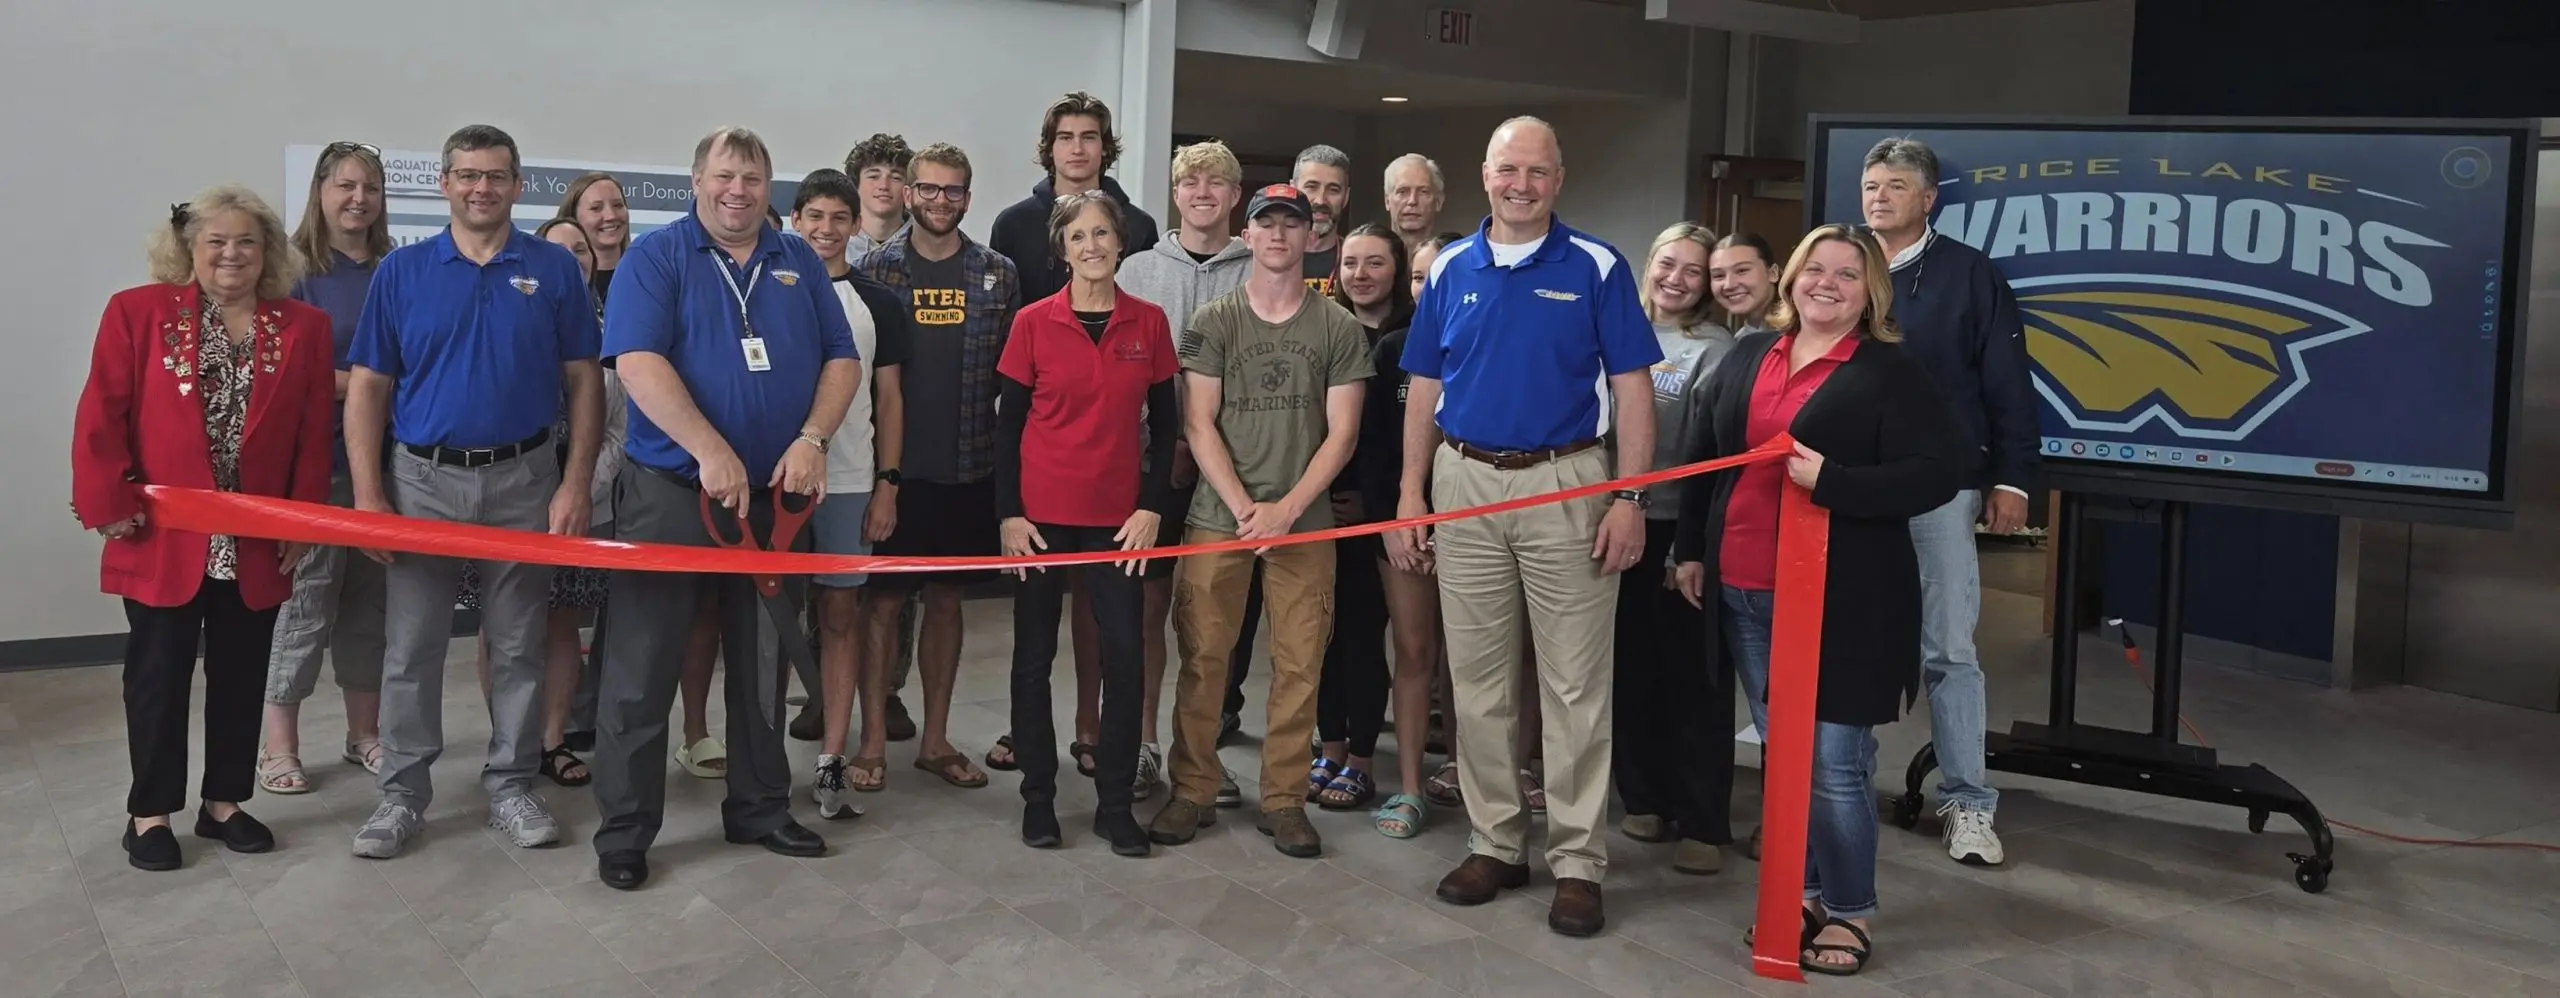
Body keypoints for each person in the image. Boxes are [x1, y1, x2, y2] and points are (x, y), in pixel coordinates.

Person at [1388, 117, 1660, 938]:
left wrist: (1631, 498)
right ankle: (1497, 842)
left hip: (1568, 481)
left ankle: (1578, 862)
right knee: (1477, 680)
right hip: (1463, 479)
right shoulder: (1450, 270)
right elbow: (1425, 387)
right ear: (1484, 174)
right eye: (1510, 170)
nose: (1522, 185)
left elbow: (1635, 388)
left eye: (1538, 172)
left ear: (1559, 179)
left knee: (1575, 685)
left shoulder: (1598, 265)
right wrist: (1411, 492)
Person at [1672, 223, 1962, 976]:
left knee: (1834, 762)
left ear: (1871, 293)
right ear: (1790, 279)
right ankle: (1795, 894)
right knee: (1784, 754)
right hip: (1742, 585)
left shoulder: (1890, 373)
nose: (1826, 284)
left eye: (1847, 274)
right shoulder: (1746, 355)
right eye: (1815, 270)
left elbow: (1936, 472)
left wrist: (1833, 482)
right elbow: (1710, 457)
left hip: (1844, 599)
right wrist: (1691, 550)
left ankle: (1849, 908)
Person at [591, 127, 862, 891]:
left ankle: (760, 807)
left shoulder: (796, 259)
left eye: (750, 176)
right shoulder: (658, 258)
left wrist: (813, 437)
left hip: (776, 504)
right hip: (670, 495)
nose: (736, 189)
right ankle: (625, 832)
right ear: (696, 180)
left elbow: (843, 357)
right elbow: (639, 362)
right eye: (723, 175)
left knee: (764, 662)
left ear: (766, 186)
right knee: (641, 670)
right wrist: (710, 450)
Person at [344, 125, 603, 860]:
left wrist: (573, 482)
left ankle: (512, 785)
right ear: (444, 184)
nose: (480, 188)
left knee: (519, 644)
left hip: (526, 479)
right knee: (412, 647)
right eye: (466, 175)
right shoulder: (402, 272)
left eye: (494, 176)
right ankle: (401, 794)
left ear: (517, 185)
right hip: (421, 481)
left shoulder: (553, 269)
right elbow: (368, 387)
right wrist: (370, 497)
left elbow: (585, 381)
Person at [73, 187, 335, 870]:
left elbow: (313, 436)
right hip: (162, 535)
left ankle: (225, 804)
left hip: (256, 538)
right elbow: (102, 412)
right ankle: (149, 814)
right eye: (216, 240)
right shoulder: (137, 313)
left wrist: (301, 520)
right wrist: (106, 501)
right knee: (156, 676)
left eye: (246, 240)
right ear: (189, 248)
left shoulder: (303, 327)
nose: (231, 253)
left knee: (242, 672)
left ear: (267, 252)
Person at [1147, 184, 1369, 859]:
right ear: (1249, 236)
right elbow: (1197, 421)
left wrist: (1287, 509)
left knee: (1300, 662)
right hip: (1221, 517)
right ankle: (1191, 789)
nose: (1277, 235)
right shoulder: (1215, 321)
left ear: (1311, 237)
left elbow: (1343, 433)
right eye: (1266, 224)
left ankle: (1284, 799)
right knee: (1205, 655)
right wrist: (1246, 507)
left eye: (1291, 225)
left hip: (1303, 520)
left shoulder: (1338, 327)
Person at [1859, 137, 2039, 866]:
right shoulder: (1842, 266)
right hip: (1853, 487)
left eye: (1895, 186)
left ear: (1928, 198)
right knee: (1857, 643)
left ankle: (1968, 804)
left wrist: (2012, 478)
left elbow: (2008, 385)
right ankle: (1842, 788)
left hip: (1941, 487)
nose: (1878, 197)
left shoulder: (1970, 275)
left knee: (1949, 649)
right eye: (1871, 185)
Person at [995, 191, 1180, 856]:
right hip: (1040, 520)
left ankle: (1113, 803)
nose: (1092, 245)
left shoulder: (1149, 324)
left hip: (1117, 522)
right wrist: (1009, 515)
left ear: (1120, 243)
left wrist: (1150, 507)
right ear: (1062, 249)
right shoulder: (1033, 324)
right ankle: (1038, 798)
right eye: (1079, 236)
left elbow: (1167, 426)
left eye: (1103, 233)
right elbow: (1008, 425)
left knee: (1124, 658)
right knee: (1033, 660)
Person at [852, 142, 1019, 788]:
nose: (940, 201)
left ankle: (937, 739)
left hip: (968, 468)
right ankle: (869, 742)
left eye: (953, 191)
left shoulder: (998, 273)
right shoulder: (874, 270)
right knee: (884, 607)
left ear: (967, 199)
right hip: (890, 472)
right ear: (908, 194)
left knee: (948, 603)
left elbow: (1016, 379)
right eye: (929, 189)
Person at [454, 217, 629, 790]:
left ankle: (552, 739)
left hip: (583, 505)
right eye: (559, 249)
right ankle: (509, 737)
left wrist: (575, 490)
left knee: (560, 624)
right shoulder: (508, 319)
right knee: (499, 625)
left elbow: (616, 432)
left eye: (581, 250)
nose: (572, 259)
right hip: (504, 499)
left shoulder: (613, 329)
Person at [1109, 138, 1253, 805]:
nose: (1202, 193)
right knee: (1145, 614)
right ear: (1174, 193)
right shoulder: (1135, 270)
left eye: (1216, 183)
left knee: (1211, 622)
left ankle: (1201, 757)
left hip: (1233, 472)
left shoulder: (1261, 268)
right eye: (1190, 182)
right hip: (1148, 469)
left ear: (1234, 195)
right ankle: (1141, 746)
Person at [260, 141, 391, 795]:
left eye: (368, 187)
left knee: (370, 610)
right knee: (305, 607)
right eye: (345, 186)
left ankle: (363, 735)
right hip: (317, 473)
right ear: (320, 192)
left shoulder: (396, 270)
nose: (357, 199)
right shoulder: (291, 272)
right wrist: (367, 385)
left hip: (389, 472)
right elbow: (283, 374)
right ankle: (279, 745)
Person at [1612, 222, 1740, 876]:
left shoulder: (1713, 348)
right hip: (1614, 522)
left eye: (1694, 270)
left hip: (1677, 528)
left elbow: (1707, 451)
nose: (1677, 279)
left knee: (1694, 679)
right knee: (1630, 671)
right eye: (1668, 263)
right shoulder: (1618, 327)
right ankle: (1643, 797)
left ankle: (1702, 820)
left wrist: (1686, 543)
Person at [786, 169, 912, 816]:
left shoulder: (878, 303)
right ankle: (760, 764)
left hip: (852, 482)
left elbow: (889, 403)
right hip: (776, 484)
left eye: (840, 217)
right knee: (771, 625)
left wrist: (886, 485)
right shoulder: (769, 292)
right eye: (814, 216)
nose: (826, 229)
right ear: (795, 220)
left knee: (841, 619)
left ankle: (833, 758)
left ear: (856, 225)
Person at [822, 133, 924, 747]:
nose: (885, 184)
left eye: (895, 174)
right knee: (824, 602)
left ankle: (885, 692)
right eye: (873, 173)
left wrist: (889, 476)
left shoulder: (918, 259)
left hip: (876, 455)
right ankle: (821, 694)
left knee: (884, 593)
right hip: (806, 465)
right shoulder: (806, 259)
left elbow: (890, 390)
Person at [1310, 222, 1412, 822]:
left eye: (1375, 263)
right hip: (1324, 507)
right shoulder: (1324, 328)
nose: (1361, 275)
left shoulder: (1411, 339)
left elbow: (1395, 440)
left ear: (1395, 271)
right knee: (1325, 634)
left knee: (1365, 638)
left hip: (1380, 513)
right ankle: (1330, 746)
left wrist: (1370, 503)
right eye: (1351, 263)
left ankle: (1366, 760)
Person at [991, 91, 1162, 307]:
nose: (1078, 149)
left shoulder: (1139, 225)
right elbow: (997, 311)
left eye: (1088, 137)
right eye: (1065, 138)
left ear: (1104, 147)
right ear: (1050, 148)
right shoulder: (1012, 225)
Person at [561, 172, 631, 306]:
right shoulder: (560, 281)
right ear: (573, 216)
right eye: (596, 208)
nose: (610, 216)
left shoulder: (647, 273)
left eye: (618, 205)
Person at [1292, 145, 1353, 296]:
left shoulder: (1358, 263)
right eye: (1311, 187)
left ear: (1346, 197)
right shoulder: (1265, 258)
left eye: (1333, 190)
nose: (1321, 200)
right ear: (1292, 190)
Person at [1712, 232, 1781, 335]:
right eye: (1719, 275)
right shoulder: (1741, 339)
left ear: (1772, 273)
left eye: (1742, 271)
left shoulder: (1802, 331)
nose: (1729, 285)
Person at [1383, 153, 1446, 255]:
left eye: (1423, 192)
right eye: (1403, 192)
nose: (1412, 201)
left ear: (1439, 201)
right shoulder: (1370, 262)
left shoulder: (1450, 262)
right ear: (1387, 201)